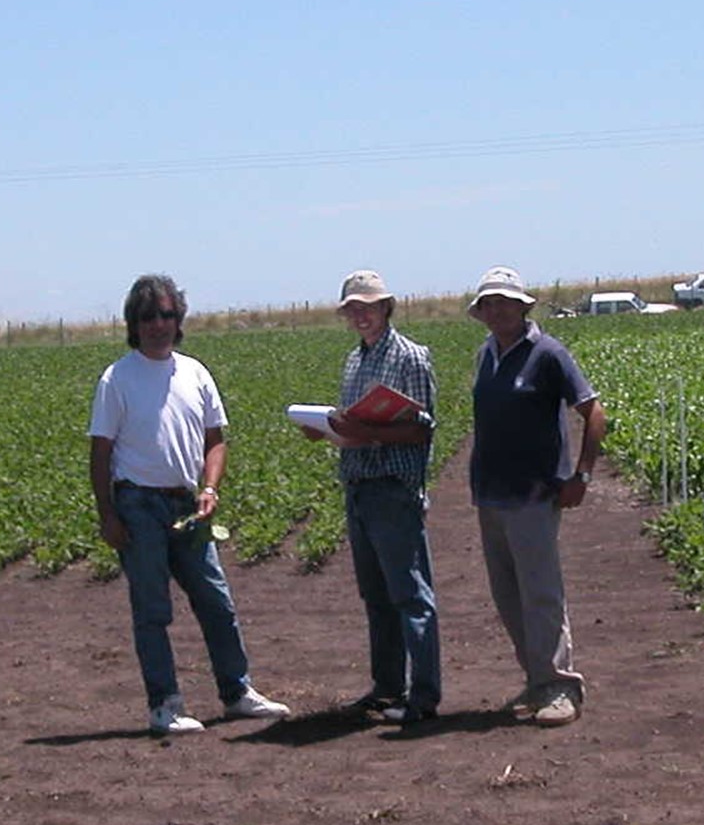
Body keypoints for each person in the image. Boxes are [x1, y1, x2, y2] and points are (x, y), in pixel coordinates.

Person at [88, 274, 289, 735]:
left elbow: (215, 441)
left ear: (179, 320)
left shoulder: (195, 373)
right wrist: (108, 515)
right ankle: (164, 704)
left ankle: (237, 692)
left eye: (167, 314)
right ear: (133, 323)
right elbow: (100, 453)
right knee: (153, 609)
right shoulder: (116, 379)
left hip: (186, 504)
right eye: (148, 316)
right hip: (137, 503)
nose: (158, 324)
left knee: (216, 601)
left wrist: (210, 488)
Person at [466, 266, 606, 727]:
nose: (497, 309)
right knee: (508, 595)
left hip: (534, 493)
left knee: (541, 593)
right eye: (489, 302)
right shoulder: (486, 354)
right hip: (491, 494)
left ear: (524, 306)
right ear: (481, 312)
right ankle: (537, 680)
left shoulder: (548, 354)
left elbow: (593, 411)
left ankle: (562, 685)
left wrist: (580, 474)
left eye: (505, 301)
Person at [301, 269, 441, 724]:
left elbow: (422, 432)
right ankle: (386, 688)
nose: (360, 315)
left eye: (368, 306)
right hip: (359, 485)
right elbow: (355, 429)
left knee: (410, 594)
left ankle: (422, 696)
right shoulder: (354, 361)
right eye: (352, 309)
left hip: (393, 488)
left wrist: (368, 431)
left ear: (386, 307)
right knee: (376, 596)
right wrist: (327, 432)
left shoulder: (410, 358)